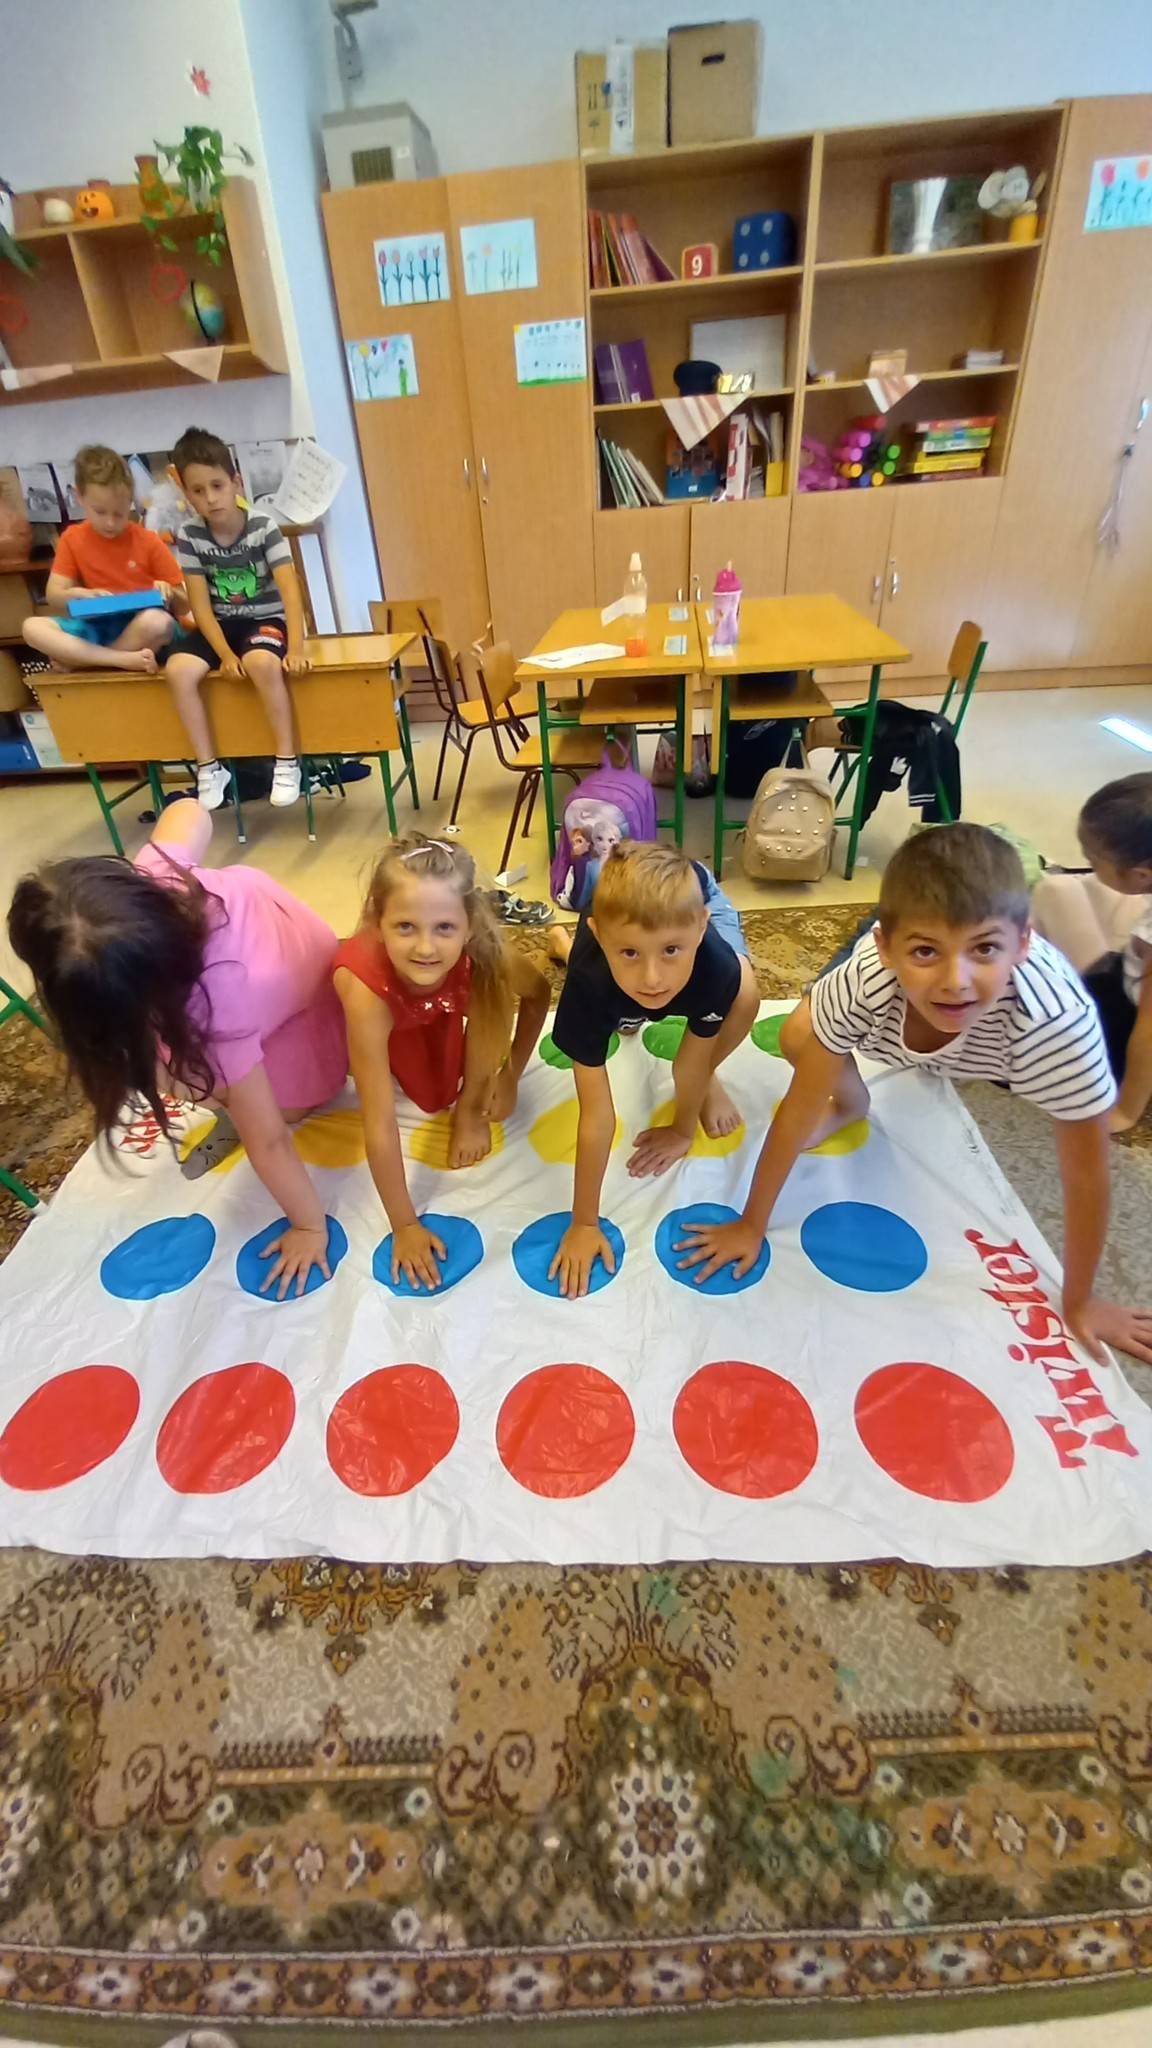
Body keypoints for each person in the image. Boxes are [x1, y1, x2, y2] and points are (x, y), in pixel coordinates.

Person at [675, 822, 1152, 1365]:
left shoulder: (1057, 1023)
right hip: (886, 989)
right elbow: (798, 1108)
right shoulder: (866, 979)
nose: (956, 980)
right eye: (927, 951)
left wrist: (1082, 1300)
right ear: (884, 947)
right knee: (797, 1037)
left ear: (1024, 942)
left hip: (991, 1021)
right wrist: (751, 1224)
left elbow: (1087, 1174)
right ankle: (854, 1103)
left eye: (984, 948)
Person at [8, 798, 347, 1299]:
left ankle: (261, 1088)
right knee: (189, 1074)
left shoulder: (218, 1010)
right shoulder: (151, 885)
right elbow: (190, 808)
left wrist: (309, 1226)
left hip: (311, 1004)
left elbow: (270, 1139)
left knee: (273, 1107)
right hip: (283, 939)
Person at [333, 833, 549, 1291]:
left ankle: (469, 1109)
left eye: (444, 928)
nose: (426, 948)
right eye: (405, 927)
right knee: (422, 1091)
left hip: (446, 1002)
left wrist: (510, 1074)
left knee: (487, 994)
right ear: (377, 922)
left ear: (469, 926)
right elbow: (379, 1120)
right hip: (393, 1013)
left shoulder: (483, 952)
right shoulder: (365, 991)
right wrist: (404, 1225)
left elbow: (538, 995)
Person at [547, 842, 759, 1299]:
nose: (652, 978)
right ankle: (570, 948)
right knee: (615, 1000)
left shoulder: (713, 964)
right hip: (606, 951)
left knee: (745, 996)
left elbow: (690, 1061)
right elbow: (596, 1115)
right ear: (600, 936)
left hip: (692, 901)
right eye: (629, 954)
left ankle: (711, 1080)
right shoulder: (590, 980)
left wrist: (683, 1129)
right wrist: (584, 1222)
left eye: (670, 951)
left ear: (700, 929)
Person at [165, 426, 309, 811]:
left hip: (265, 619)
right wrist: (225, 655)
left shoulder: (263, 527)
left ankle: (286, 761)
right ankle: (209, 768)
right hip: (221, 626)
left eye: (217, 486)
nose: (211, 499)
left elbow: (290, 591)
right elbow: (200, 606)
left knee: (262, 662)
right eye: (198, 491)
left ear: (236, 482)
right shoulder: (190, 535)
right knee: (178, 671)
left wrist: (296, 648)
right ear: (187, 494)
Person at [1032, 774, 1152, 1134]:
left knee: (1055, 889)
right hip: (1127, 976)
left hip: (1124, 1025)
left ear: (1141, 875)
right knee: (1064, 887)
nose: (1087, 862)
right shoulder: (1141, 883)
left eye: (1094, 859)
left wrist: (1126, 1111)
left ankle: (1019, 1002)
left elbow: (1149, 1031)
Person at [21, 445, 183, 674]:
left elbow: (185, 603)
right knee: (31, 627)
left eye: (119, 513)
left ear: (130, 501)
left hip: (140, 627)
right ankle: (119, 659)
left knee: (159, 622)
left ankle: (86, 661)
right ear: (80, 496)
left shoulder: (147, 540)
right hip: (97, 625)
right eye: (100, 512)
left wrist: (169, 591)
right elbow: (54, 596)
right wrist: (79, 593)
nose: (110, 523)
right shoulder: (73, 539)